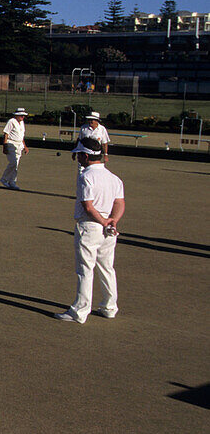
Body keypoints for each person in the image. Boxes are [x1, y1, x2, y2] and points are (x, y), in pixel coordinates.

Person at [54, 138, 125, 324]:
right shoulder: (113, 178)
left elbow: (88, 206)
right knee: (107, 267)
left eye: (79, 154)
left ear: (86, 156)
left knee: (85, 269)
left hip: (91, 226)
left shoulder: (86, 176)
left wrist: (103, 221)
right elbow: (119, 203)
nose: (77, 158)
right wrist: (113, 222)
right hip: (109, 229)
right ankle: (109, 307)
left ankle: (79, 311)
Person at [0, 107, 29, 189]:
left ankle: (12, 182)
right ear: (16, 115)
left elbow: (21, 136)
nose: (22, 117)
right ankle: (4, 179)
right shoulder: (11, 121)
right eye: (21, 115)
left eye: (23, 115)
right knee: (13, 163)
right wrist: (4, 146)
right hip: (11, 144)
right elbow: (6, 134)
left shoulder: (22, 123)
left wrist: (25, 146)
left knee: (16, 165)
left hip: (20, 145)